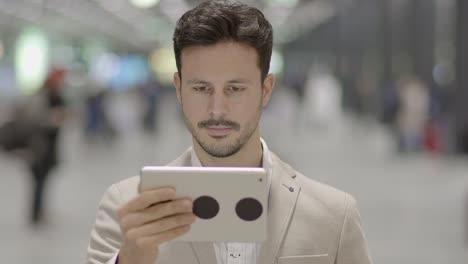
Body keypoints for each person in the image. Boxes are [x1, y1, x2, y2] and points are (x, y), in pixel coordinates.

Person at [85, 1, 372, 264]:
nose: (216, 110)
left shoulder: (334, 215)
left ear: (266, 90)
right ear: (178, 89)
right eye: (200, 88)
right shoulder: (125, 209)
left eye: (235, 89)